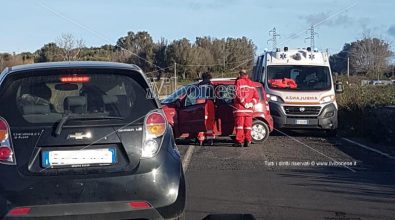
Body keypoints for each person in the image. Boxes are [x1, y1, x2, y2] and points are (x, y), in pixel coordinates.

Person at [233, 69, 259, 147]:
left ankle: (239, 141)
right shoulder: (252, 83)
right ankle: (247, 140)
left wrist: (244, 103)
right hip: (249, 110)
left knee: (239, 126)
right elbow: (256, 97)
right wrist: (251, 104)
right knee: (248, 126)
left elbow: (238, 94)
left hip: (240, 109)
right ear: (247, 74)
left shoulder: (238, 82)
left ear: (240, 74)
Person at [196, 72, 215, 146]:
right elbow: (213, 96)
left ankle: (200, 138)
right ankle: (210, 139)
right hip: (209, 103)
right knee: (210, 121)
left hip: (200, 102)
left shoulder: (199, 85)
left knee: (201, 121)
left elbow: (196, 95)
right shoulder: (211, 84)